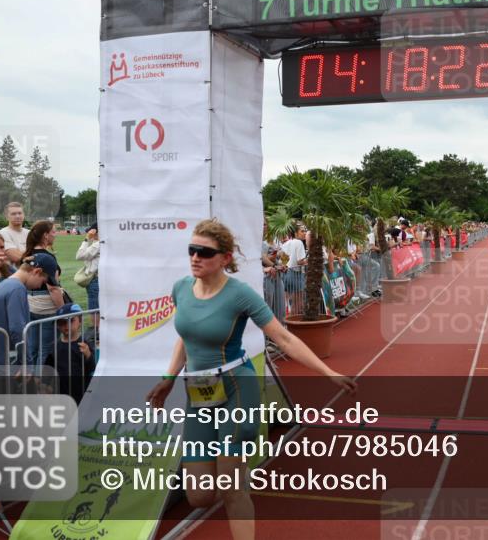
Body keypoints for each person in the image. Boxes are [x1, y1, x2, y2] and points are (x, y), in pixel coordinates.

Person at [145, 220, 356, 540]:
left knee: (231, 489)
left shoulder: (239, 295)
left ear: (225, 258)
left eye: (204, 252)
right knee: (199, 497)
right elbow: (185, 338)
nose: (195, 257)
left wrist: (327, 372)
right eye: (192, 250)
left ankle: (235, 482)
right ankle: (232, 474)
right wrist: (168, 378)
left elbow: (283, 339)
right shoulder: (181, 289)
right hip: (199, 394)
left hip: (236, 390)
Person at [0, 253, 55, 366]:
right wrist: (26, 363)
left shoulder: (4, 284)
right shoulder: (17, 289)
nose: (38, 286)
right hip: (6, 362)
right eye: (43, 282)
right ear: (37, 271)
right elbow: (17, 329)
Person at [22, 224, 65, 364]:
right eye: (54, 232)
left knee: (33, 348)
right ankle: (43, 382)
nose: (56, 234)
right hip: (46, 306)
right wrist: (63, 311)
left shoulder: (27, 254)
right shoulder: (47, 258)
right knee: (47, 350)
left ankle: (31, 379)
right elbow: (53, 288)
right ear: (46, 235)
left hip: (30, 304)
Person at [44, 305, 95, 403]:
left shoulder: (85, 344)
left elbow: (92, 368)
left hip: (83, 392)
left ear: (80, 321)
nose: (66, 326)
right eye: (62, 323)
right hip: (62, 394)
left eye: (71, 321)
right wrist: (46, 387)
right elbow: (48, 370)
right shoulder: (54, 347)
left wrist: (88, 354)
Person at [279, 225, 307, 314]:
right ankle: (293, 325)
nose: (305, 233)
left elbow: (281, 258)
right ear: (295, 233)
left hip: (285, 274)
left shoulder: (287, 243)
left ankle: (286, 325)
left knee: (286, 305)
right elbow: (300, 261)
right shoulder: (299, 242)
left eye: (305, 231)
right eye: (302, 231)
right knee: (297, 305)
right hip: (295, 275)